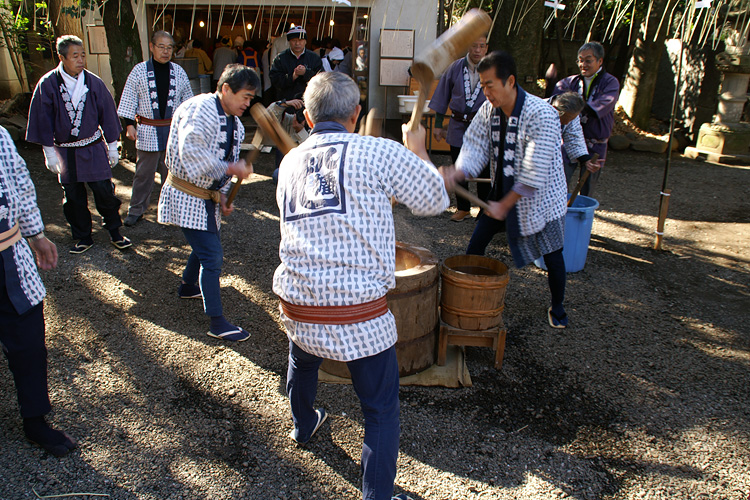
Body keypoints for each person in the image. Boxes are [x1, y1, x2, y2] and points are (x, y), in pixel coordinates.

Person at [274, 72, 448, 500]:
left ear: (309, 116)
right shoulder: (378, 151)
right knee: (380, 410)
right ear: (355, 113)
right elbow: (434, 200)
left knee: (305, 359)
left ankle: (303, 423)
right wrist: (419, 150)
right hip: (357, 314)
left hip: (298, 303)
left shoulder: (290, 160)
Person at [443, 51, 570, 329]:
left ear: (510, 81)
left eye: (489, 85)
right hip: (501, 192)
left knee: (552, 253)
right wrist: (459, 171)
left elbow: (534, 170)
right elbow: (475, 145)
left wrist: (508, 202)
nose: (484, 91)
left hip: (542, 199)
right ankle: (471, 296)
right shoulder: (489, 110)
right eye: (482, 85)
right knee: (476, 245)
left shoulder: (542, 114)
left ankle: (558, 306)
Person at [157, 64, 256, 342]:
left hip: (206, 197)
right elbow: (192, 154)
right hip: (186, 193)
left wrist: (223, 194)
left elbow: (225, 160)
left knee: (206, 242)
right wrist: (231, 169)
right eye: (245, 97)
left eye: (251, 99)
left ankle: (188, 286)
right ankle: (217, 322)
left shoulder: (234, 121)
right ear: (226, 89)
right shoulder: (198, 109)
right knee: (212, 256)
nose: (248, 104)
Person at [0, 125, 76, 456]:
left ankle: (35, 420)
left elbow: (19, 182)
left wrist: (36, 235)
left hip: (10, 253)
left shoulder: (0, 135)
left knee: (30, 345)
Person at [26, 35, 130, 254]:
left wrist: (112, 145)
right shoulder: (47, 84)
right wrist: (49, 153)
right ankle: (83, 236)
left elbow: (108, 115)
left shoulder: (93, 82)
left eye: (83, 55)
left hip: (93, 147)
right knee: (73, 196)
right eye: (75, 56)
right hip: (65, 150)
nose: (81, 60)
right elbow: (42, 120)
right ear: (62, 57)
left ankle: (114, 231)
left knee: (104, 191)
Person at [118, 31, 193, 227]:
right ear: (152, 47)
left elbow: (188, 103)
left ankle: (174, 211)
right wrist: (129, 125)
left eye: (169, 47)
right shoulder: (139, 71)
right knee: (143, 174)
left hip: (172, 131)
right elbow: (128, 99)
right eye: (161, 46)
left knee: (174, 175)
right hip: (148, 130)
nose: (166, 51)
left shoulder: (179, 72)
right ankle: (136, 210)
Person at [429, 34, 490, 222]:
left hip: (482, 126)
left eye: (481, 46)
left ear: (486, 48)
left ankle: (483, 209)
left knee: (484, 168)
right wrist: (438, 126)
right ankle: (463, 207)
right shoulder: (455, 68)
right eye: (474, 45)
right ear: (468, 47)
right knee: (458, 164)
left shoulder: (491, 68)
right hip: (457, 124)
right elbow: (442, 96)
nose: (477, 50)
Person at [553, 41, 620, 197]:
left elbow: (600, 107)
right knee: (559, 182)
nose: (583, 64)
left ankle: (582, 217)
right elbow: (557, 103)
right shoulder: (569, 82)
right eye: (580, 60)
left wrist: (573, 107)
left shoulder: (610, 83)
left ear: (600, 61)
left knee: (587, 188)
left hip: (595, 143)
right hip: (570, 141)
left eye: (588, 60)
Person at [549, 91, 600, 176]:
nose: (566, 123)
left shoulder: (572, 114)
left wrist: (586, 160)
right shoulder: (538, 109)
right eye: (566, 118)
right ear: (555, 109)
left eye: (571, 119)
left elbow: (574, 137)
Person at [269, 26, 322, 102]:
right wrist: (292, 77)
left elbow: (321, 79)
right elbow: (275, 80)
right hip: (287, 101)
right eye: (294, 40)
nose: (297, 43)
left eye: (300, 40)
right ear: (289, 41)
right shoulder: (280, 58)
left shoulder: (314, 58)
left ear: (305, 41)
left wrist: (306, 73)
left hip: (309, 102)